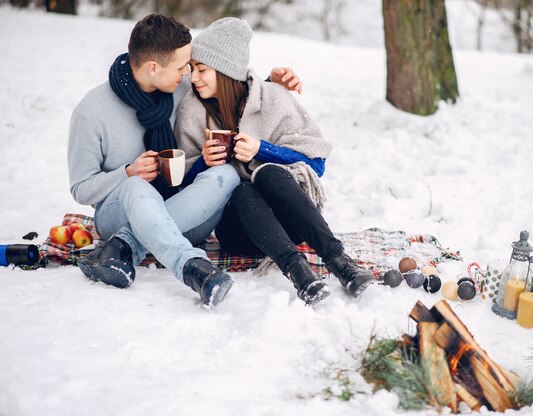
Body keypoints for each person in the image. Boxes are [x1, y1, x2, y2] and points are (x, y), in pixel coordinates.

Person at [67, 14, 302, 308]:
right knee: (137, 188)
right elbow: (81, 188)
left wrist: (271, 87)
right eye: (182, 67)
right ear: (154, 68)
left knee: (227, 174)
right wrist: (128, 173)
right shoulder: (91, 113)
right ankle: (192, 267)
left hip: (187, 215)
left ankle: (124, 246)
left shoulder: (181, 89)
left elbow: (229, 90)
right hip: (118, 215)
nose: (188, 74)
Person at [175, 18, 374, 306]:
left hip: (289, 219)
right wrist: (203, 163)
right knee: (241, 190)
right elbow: (184, 188)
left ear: (226, 68)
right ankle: (298, 272)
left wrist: (263, 150)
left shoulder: (273, 99)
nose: (193, 78)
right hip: (237, 227)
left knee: (269, 173)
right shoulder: (192, 110)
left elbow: (316, 164)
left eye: (202, 70)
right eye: (192, 69)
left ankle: (340, 261)